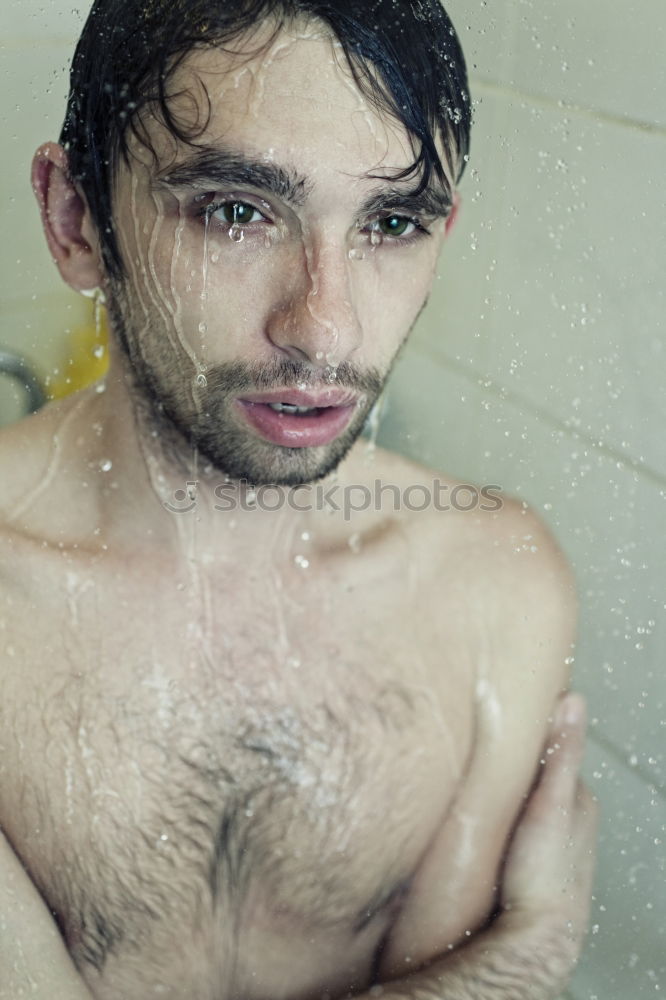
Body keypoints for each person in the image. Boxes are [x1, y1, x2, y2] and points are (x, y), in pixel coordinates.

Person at [0, 1, 598, 998]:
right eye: (237, 210)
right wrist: (522, 956)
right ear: (76, 221)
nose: (325, 328)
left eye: (391, 223)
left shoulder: (494, 586)